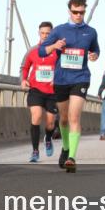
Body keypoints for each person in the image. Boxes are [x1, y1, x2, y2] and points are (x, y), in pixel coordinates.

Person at [40, 0, 100, 173]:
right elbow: (42, 50)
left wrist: (94, 56)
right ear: (69, 12)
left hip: (80, 78)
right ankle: (66, 148)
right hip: (61, 79)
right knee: (64, 119)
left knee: (74, 117)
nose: (78, 15)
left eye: (81, 12)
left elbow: (96, 49)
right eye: (75, 12)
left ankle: (72, 157)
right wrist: (55, 45)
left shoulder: (91, 32)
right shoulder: (59, 30)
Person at [20, 21, 59, 163]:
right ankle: (35, 151)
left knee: (50, 123)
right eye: (42, 33)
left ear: (52, 34)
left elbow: (64, 68)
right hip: (35, 90)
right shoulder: (33, 51)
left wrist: (59, 79)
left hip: (53, 92)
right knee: (35, 117)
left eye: (48, 33)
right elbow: (24, 67)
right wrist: (23, 80)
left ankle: (48, 138)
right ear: (39, 33)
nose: (45, 36)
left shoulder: (58, 51)